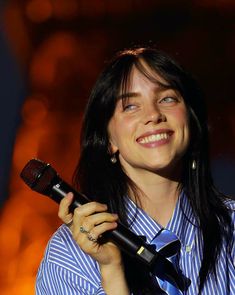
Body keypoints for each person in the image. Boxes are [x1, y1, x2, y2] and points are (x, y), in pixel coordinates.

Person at [35, 46, 235, 295]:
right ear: (109, 141)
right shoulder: (69, 256)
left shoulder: (231, 229)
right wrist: (111, 270)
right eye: (130, 106)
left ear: (191, 123)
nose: (153, 115)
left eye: (167, 98)